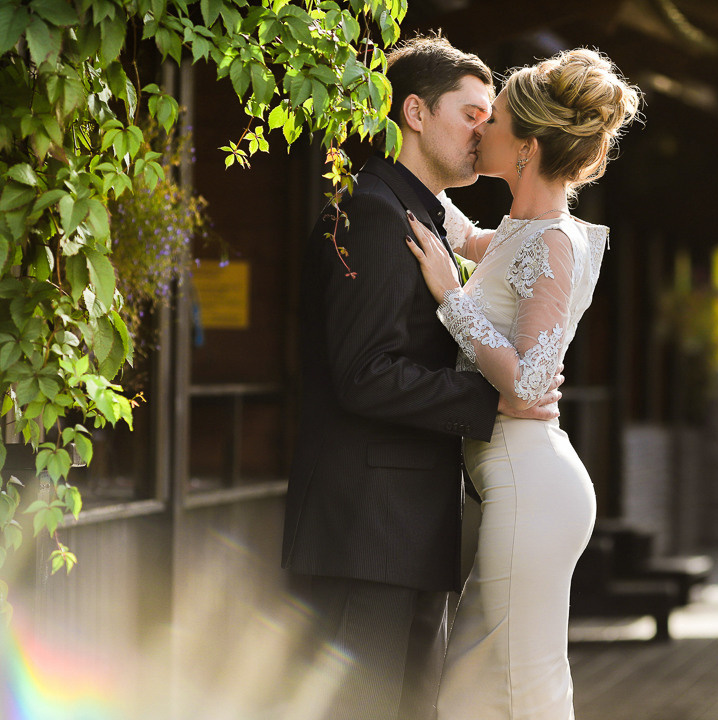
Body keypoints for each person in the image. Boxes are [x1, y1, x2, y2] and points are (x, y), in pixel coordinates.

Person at [281, 36, 562, 720]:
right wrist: (492, 397)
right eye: (471, 114)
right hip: (365, 536)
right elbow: (365, 374)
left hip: (403, 532)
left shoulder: (424, 213)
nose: (484, 130)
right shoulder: (373, 214)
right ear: (414, 111)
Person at [405, 48, 641, 719]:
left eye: (496, 119)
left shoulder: (554, 243)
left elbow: (529, 386)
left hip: (530, 485)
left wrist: (452, 297)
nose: (483, 131)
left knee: (515, 686)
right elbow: (469, 236)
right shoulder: (522, 230)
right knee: (481, 688)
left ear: (527, 148)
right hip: (514, 481)